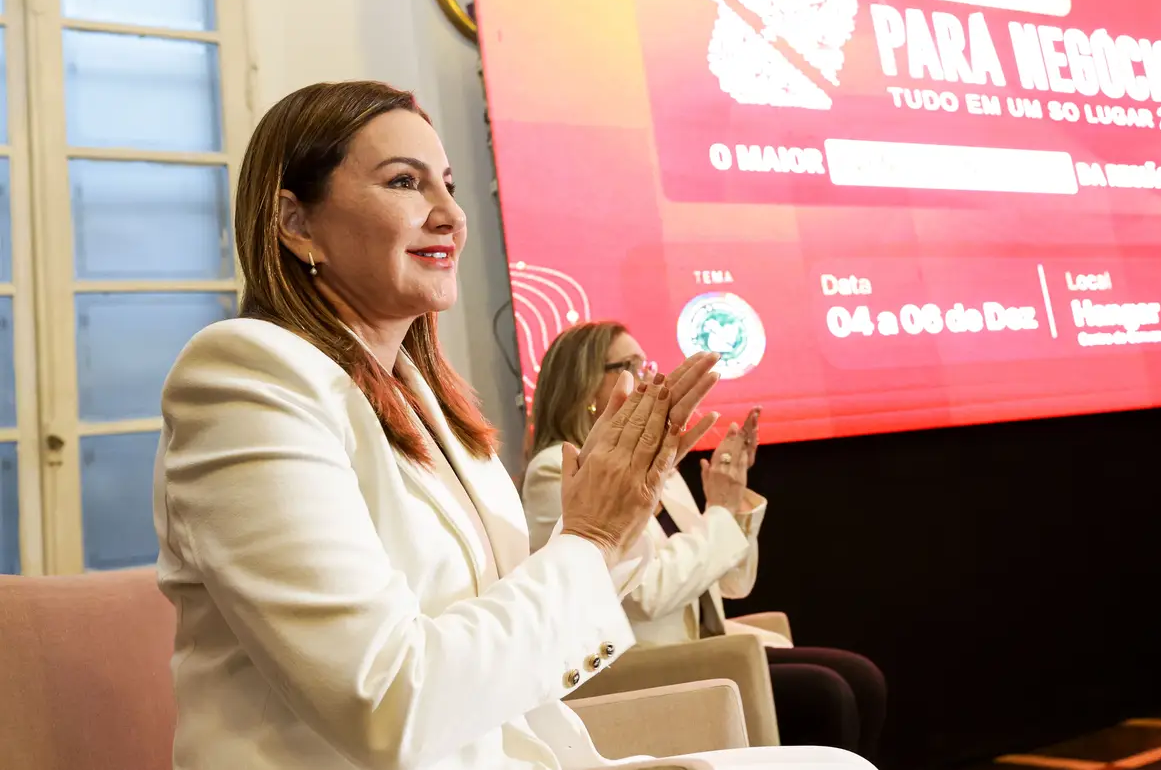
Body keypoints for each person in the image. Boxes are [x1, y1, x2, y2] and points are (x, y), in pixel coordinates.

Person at [151, 80, 877, 770]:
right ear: (295, 223)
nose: (450, 214)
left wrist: (612, 525)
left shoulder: (430, 405)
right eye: (405, 182)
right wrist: (590, 537)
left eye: (448, 185)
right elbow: (386, 700)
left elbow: (511, 628)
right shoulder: (245, 375)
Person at [521, 323, 887, 760]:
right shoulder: (558, 468)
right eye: (630, 366)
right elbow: (649, 594)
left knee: (860, 677)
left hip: (699, 649)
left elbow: (732, 585)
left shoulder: (650, 461)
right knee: (829, 694)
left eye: (646, 363)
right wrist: (719, 516)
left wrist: (728, 501)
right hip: (641, 663)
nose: (649, 377)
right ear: (583, 386)